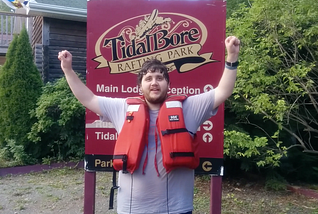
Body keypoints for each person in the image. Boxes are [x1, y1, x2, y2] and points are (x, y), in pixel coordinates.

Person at [58, 35, 240, 214]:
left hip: (177, 209)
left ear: (168, 84)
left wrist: (231, 58)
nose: (154, 83)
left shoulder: (189, 108)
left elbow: (223, 91)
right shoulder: (122, 108)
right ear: (140, 86)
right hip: (131, 209)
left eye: (160, 78)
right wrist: (68, 70)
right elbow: (88, 98)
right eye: (149, 78)